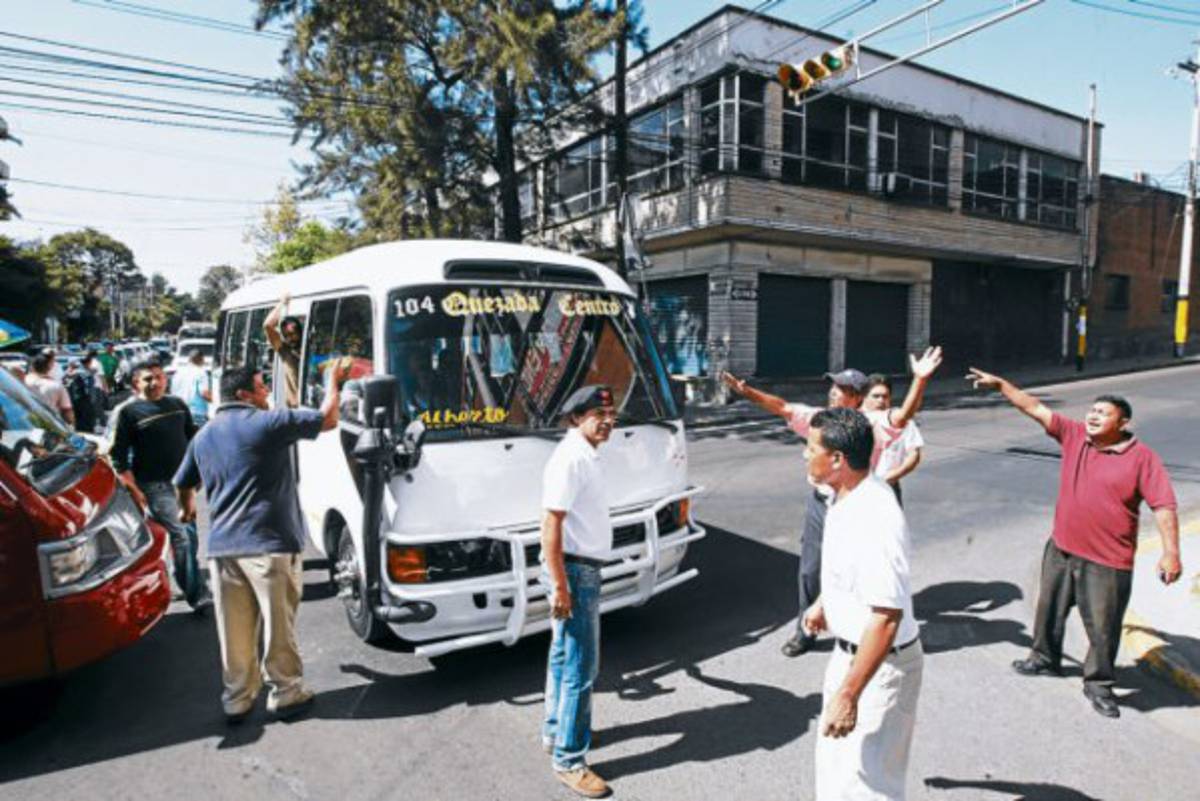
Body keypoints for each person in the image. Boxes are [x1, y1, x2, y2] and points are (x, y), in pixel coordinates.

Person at [966, 368, 1182, 718]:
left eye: (1104, 413)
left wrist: (1171, 553)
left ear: (1123, 422)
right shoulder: (1074, 435)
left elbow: (1164, 506)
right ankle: (1044, 657)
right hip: (1063, 546)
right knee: (1048, 608)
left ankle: (1098, 684)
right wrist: (1003, 385)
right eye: (1092, 411)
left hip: (1107, 560)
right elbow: (1034, 408)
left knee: (1103, 626)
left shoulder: (1142, 458)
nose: (1093, 416)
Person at [722, 347, 942, 658]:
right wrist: (748, 392)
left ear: (856, 396)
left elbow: (904, 416)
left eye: (840, 388)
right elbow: (783, 407)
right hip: (821, 503)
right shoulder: (818, 419)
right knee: (810, 570)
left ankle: (864, 627)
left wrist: (920, 380)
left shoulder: (872, 423)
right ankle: (806, 630)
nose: (832, 392)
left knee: (858, 569)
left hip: (856, 506)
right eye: (832, 386)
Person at [174, 360, 348, 724]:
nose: (267, 391)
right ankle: (286, 693)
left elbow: (183, 481)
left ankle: (237, 699)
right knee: (278, 624)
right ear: (244, 395)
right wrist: (334, 381)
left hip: (222, 550)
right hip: (268, 544)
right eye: (261, 386)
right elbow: (328, 419)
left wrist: (187, 508)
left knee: (233, 630)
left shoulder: (204, 435)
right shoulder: (268, 422)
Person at [800, 407, 924, 801]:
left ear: (837, 460)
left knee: (869, 785)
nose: (805, 455)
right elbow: (847, 570)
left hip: (881, 666)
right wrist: (824, 603)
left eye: (811, 448)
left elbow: (886, 618)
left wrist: (849, 695)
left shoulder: (876, 517)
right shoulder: (843, 494)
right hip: (851, 656)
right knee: (837, 769)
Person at [540, 384, 617, 799]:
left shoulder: (584, 454)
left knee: (562, 657)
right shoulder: (570, 460)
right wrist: (560, 585)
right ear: (575, 418)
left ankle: (556, 732)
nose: (607, 422)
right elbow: (550, 525)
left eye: (611, 415)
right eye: (597, 415)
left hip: (578, 569)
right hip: (574, 572)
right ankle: (569, 760)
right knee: (580, 668)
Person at [110, 357, 211, 611]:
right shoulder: (128, 413)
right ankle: (196, 594)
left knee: (189, 536)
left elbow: (192, 439)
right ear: (136, 383)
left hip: (184, 485)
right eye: (148, 378)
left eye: (159, 377)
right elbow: (118, 458)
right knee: (182, 536)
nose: (155, 383)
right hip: (155, 486)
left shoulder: (177, 405)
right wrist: (134, 489)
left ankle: (187, 579)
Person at [863, 374, 925, 506]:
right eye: (876, 396)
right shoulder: (855, 419)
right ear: (864, 397)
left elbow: (914, 455)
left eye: (885, 396)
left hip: (887, 488)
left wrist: (893, 476)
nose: (881, 400)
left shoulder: (902, 421)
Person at [263, 291, 303, 408]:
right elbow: (268, 326)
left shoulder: (310, 349)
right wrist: (282, 304)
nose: (290, 338)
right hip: (295, 409)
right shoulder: (285, 351)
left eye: (292, 334)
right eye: (286, 335)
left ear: (300, 332)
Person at [25, 350, 75, 427]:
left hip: (25, 424)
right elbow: (67, 414)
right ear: (49, 367)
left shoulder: (21, 382)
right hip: (49, 425)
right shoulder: (56, 385)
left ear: (32, 366)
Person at [171, 348, 213, 427]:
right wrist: (216, 401)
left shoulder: (178, 373)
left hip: (179, 412)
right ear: (202, 359)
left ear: (189, 359)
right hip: (196, 413)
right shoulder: (201, 373)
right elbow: (204, 393)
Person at [64, 358, 98, 434]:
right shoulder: (80, 372)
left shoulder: (77, 372)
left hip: (79, 400)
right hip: (82, 400)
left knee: (82, 420)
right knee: (85, 420)